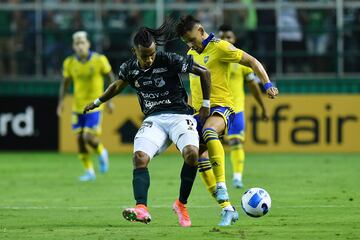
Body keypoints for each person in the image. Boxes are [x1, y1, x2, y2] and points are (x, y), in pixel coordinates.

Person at [83, 18, 211, 227]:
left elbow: (204, 72)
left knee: (191, 154)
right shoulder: (130, 68)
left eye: (152, 54)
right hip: (154, 119)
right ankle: (141, 208)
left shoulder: (168, 59)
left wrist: (205, 105)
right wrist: (97, 102)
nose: (150, 59)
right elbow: (117, 86)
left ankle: (181, 204)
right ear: (135, 52)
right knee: (140, 158)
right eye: (145, 56)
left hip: (180, 115)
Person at [176, 15, 278, 226]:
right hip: (197, 113)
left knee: (210, 132)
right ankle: (227, 208)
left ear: (201, 30)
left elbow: (252, 61)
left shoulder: (220, 47)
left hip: (222, 108)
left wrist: (267, 84)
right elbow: (193, 87)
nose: (190, 43)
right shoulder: (190, 53)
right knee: (196, 158)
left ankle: (223, 183)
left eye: (191, 38)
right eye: (186, 41)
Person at [57, 31, 115, 181]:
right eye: (77, 43)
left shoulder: (99, 60)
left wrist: (109, 100)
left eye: (82, 42)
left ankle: (102, 152)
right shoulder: (69, 63)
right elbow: (65, 83)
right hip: (77, 107)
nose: (80, 46)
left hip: (95, 105)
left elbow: (111, 78)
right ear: (74, 46)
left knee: (87, 136)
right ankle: (89, 171)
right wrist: (61, 103)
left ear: (88, 44)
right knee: (80, 140)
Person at [218, 24, 269, 188]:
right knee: (210, 145)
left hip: (236, 110)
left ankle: (237, 177)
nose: (226, 40)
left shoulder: (241, 61)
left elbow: (253, 86)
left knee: (235, 143)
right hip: (216, 109)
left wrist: (263, 107)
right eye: (223, 37)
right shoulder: (213, 58)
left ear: (234, 39)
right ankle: (217, 181)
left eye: (229, 37)